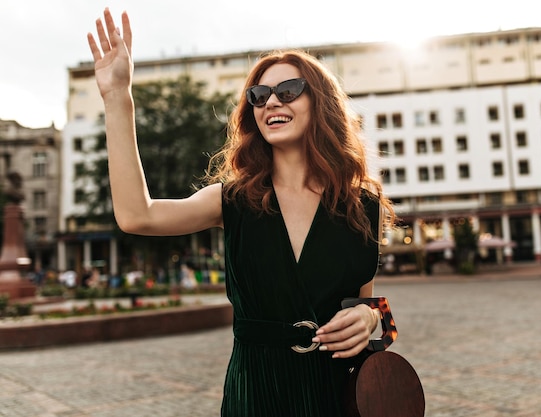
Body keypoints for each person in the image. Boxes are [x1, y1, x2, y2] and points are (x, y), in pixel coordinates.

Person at [87, 8, 395, 416]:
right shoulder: (231, 200)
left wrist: (370, 321)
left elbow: (374, 311)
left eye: (288, 90)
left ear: (319, 102)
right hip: (256, 395)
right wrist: (117, 98)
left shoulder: (362, 207)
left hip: (335, 394)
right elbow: (136, 215)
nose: (271, 101)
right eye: (259, 95)